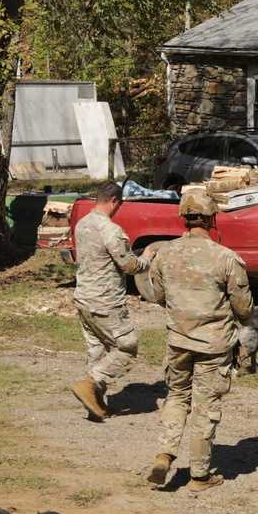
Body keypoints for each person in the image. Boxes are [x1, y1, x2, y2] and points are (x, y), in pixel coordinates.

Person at [143, 187, 254, 493]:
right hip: (213, 347)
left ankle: (164, 456)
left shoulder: (164, 254)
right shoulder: (225, 257)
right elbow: (243, 306)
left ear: (184, 220)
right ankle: (200, 476)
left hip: (177, 342)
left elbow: (159, 295)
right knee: (205, 407)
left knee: (177, 397)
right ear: (211, 218)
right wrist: (245, 324)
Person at [71, 180, 153, 420]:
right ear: (115, 201)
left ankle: (96, 405)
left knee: (97, 350)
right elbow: (129, 265)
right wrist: (146, 258)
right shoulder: (111, 230)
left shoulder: (82, 224)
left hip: (84, 298)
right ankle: (92, 383)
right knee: (127, 346)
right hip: (106, 302)